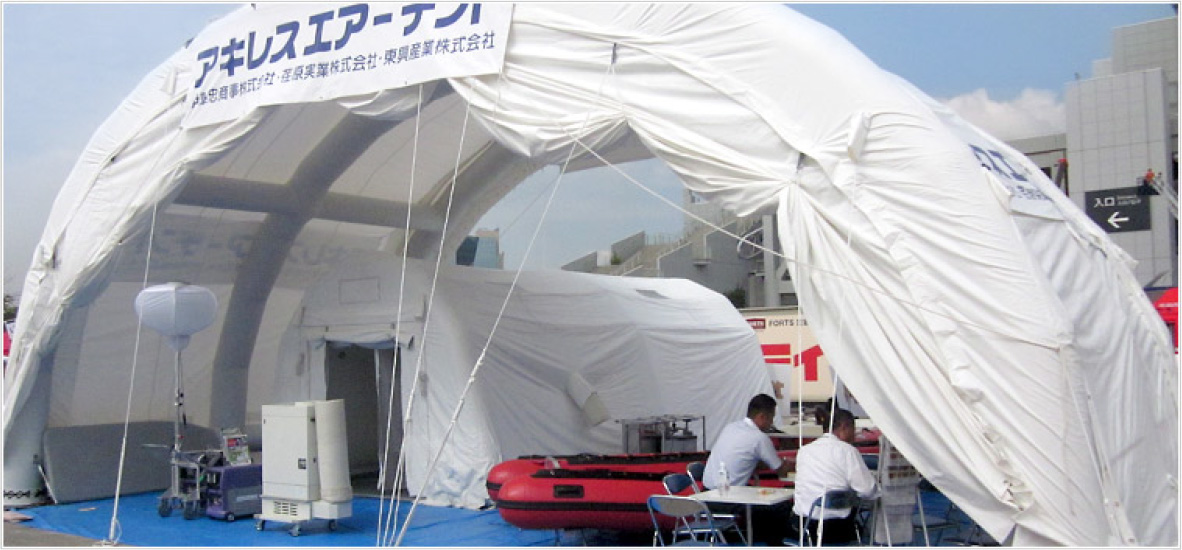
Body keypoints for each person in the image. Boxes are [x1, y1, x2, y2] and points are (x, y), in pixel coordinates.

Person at [703, 394, 792, 545]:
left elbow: (743, 460)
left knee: (758, 500)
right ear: (762, 416)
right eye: (771, 418)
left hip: (706, 495)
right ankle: (771, 543)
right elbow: (781, 470)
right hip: (726, 500)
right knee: (780, 507)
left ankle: (755, 538)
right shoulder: (759, 438)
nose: (771, 423)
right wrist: (791, 462)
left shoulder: (730, 427)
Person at [792, 408, 879, 545]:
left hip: (804, 525)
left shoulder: (804, 450)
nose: (854, 435)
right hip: (837, 527)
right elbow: (868, 490)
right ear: (844, 427)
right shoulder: (848, 451)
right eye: (853, 430)